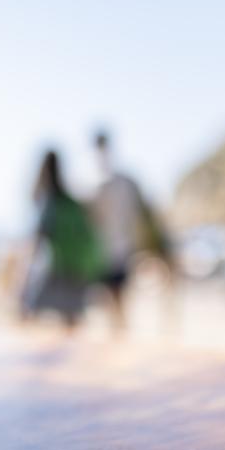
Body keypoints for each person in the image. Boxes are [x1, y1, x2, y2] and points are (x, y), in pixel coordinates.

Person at [90, 130, 169, 330]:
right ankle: (119, 334)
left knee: (115, 301)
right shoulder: (118, 181)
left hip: (114, 249)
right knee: (115, 301)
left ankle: (119, 336)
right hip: (116, 248)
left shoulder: (108, 181)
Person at [20, 150, 103, 330]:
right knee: (72, 322)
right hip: (81, 269)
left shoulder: (49, 203)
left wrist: (23, 281)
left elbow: (37, 243)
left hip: (58, 270)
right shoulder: (72, 202)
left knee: (28, 311)